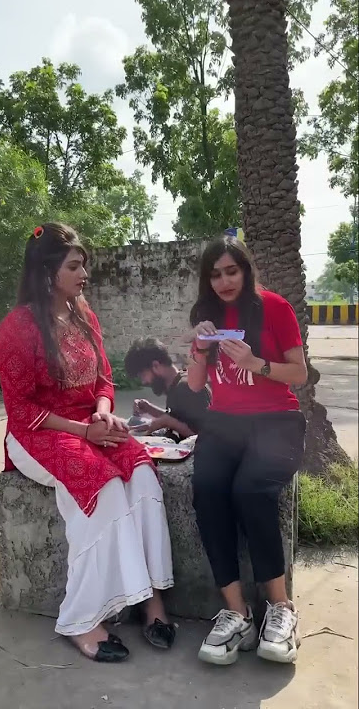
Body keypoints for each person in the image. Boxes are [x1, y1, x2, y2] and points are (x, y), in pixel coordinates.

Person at [0, 223, 175, 663]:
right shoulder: (15, 328)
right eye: (75, 266)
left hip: (86, 422)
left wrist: (101, 409)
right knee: (101, 485)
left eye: (84, 266)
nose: (84, 275)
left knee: (142, 473)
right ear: (46, 271)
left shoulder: (83, 314)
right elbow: (22, 411)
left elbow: (104, 379)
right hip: (38, 432)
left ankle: (149, 599)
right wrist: (84, 432)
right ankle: (81, 619)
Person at [188, 235, 307, 666]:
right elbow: (196, 385)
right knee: (207, 490)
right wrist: (201, 348)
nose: (223, 281)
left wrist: (256, 364)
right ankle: (236, 611)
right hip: (223, 424)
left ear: (246, 270)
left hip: (277, 421)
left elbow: (300, 373)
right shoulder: (205, 316)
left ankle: (280, 608)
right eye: (214, 274)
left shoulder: (274, 307)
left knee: (252, 491)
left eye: (231, 271)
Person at [124, 337, 210, 441]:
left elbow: (205, 437)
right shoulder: (175, 386)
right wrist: (150, 409)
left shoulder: (186, 388)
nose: (143, 382)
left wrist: (168, 422)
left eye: (143, 375)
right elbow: (180, 419)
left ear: (155, 365)